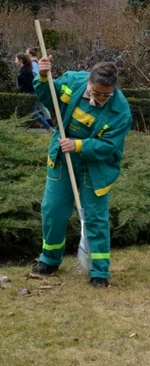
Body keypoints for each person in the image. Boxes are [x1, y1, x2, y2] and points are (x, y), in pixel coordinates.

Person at [30, 57, 133, 287]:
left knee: (95, 218)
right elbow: (49, 97)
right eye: (96, 93)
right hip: (63, 159)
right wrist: (44, 76)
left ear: (113, 90)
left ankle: (99, 272)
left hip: (95, 168)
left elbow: (109, 146)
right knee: (52, 209)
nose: (100, 99)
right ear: (89, 82)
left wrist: (78, 145)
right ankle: (50, 258)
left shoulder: (121, 112)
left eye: (106, 95)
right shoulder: (72, 82)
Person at [14, 53, 52, 132]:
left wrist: (28, 93)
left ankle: (49, 128)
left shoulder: (25, 71)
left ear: (21, 61)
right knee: (38, 110)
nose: (15, 61)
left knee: (35, 113)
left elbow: (31, 83)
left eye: (16, 60)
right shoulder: (24, 70)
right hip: (29, 93)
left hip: (30, 93)